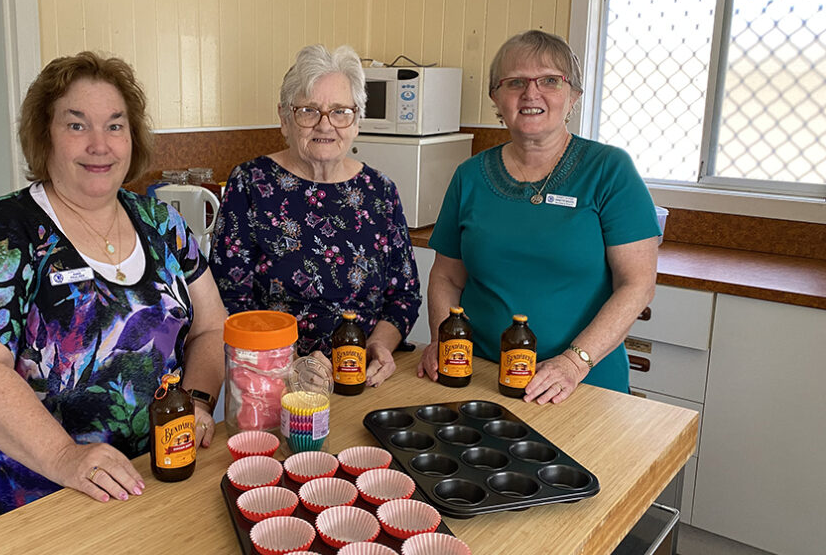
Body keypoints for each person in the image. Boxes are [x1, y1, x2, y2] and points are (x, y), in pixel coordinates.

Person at [0, 52, 226, 523]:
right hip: (39, 497)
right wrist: (66, 459)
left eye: (115, 126)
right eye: (76, 126)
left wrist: (194, 403)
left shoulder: (161, 223)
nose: (100, 145)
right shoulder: (6, 232)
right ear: (43, 136)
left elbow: (212, 327)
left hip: (156, 480)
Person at [417, 30, 660, 403]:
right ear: (496, 98)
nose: (531, 94)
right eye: (514, 82)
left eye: (550, 80)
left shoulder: (610, 170)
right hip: (480, 377)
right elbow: (447, 276)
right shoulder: (470, 176)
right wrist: (441, 339)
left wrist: (574, 363)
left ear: (573, 95)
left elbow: (637, 284)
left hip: (582, 382)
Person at [209, 44, 420, 387]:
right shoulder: (250, 184)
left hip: (363, 378)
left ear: (357, 120)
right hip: (275, 378)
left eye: (340, 111)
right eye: (308, 110)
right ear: (284, 117)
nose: (326, 125)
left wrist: (378, 345)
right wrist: (289, 364)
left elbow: (404, 295)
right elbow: (229, 296)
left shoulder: (380, 191)